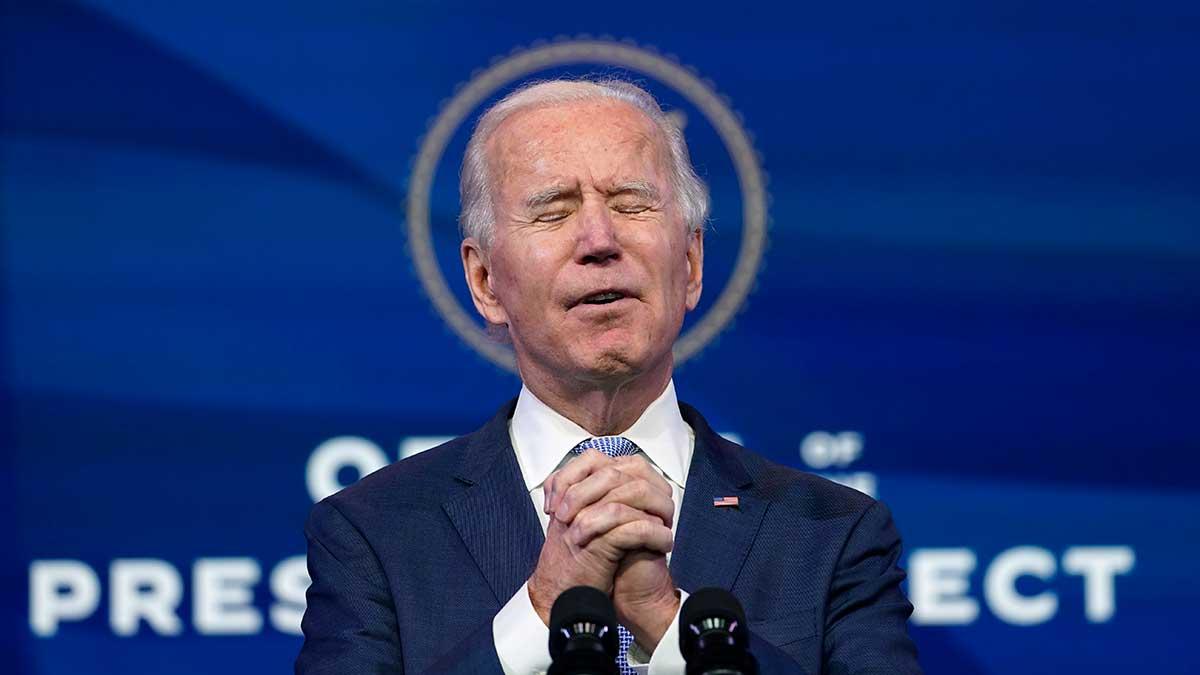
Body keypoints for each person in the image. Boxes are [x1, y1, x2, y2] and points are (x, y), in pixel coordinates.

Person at [296, 78, 922, 675]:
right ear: (485, 282)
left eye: (631, 204)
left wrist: (663, 619)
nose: (599, 240)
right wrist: (543, 607)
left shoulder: (832, 537)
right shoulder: (375, 536)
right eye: (553, 212)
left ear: (691, 262)